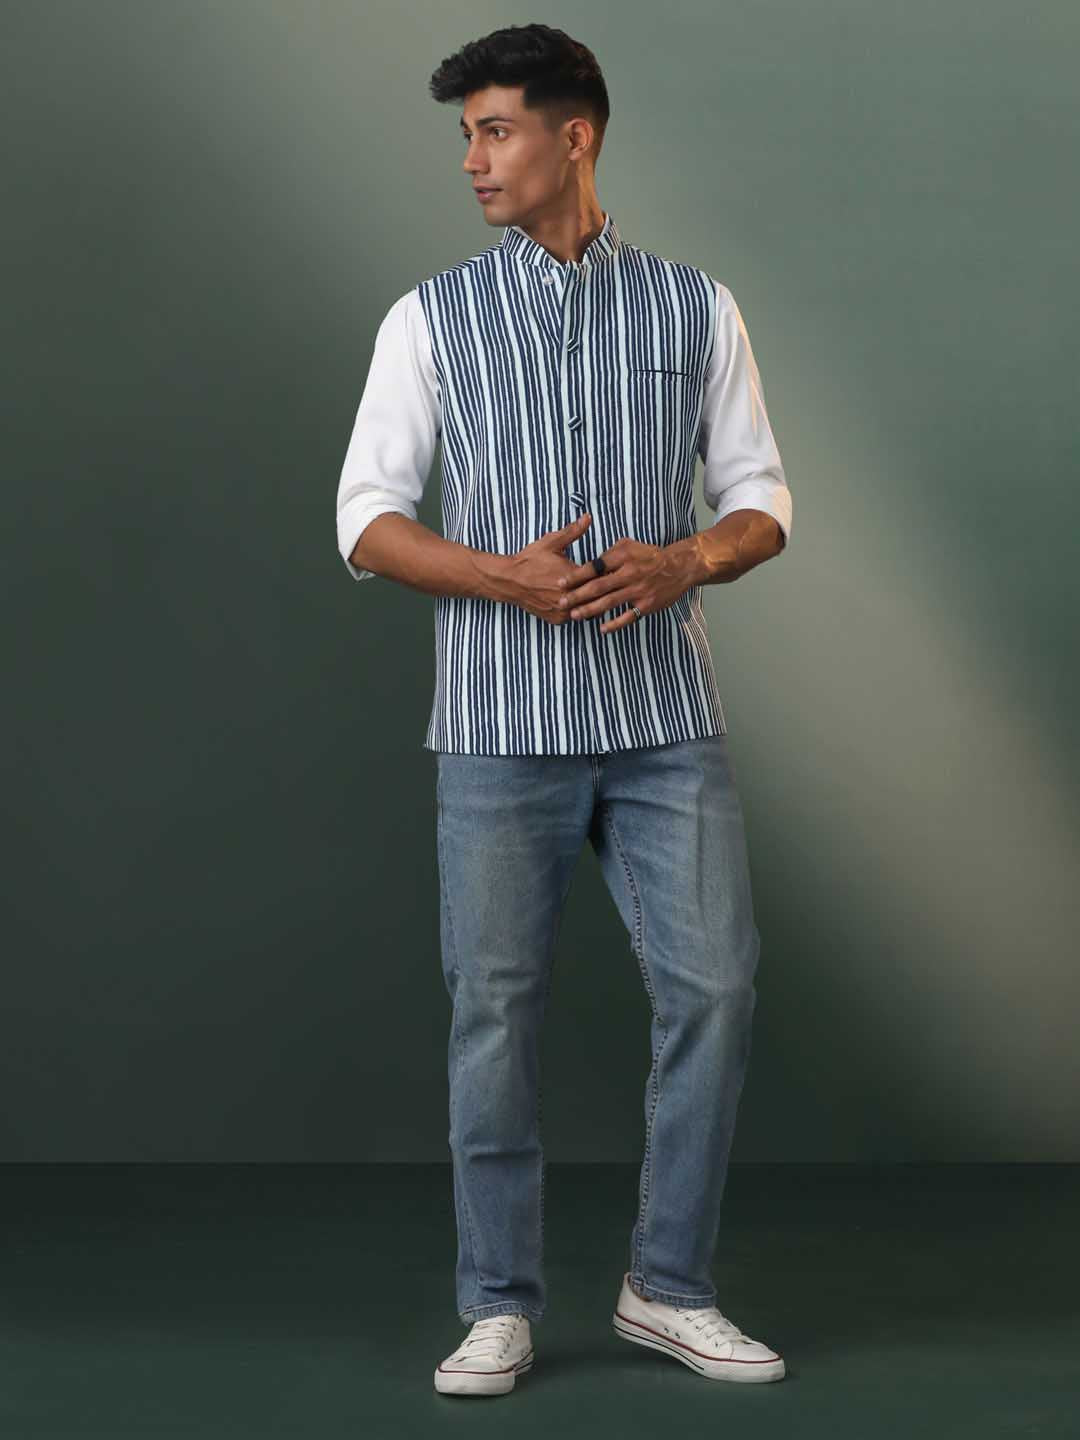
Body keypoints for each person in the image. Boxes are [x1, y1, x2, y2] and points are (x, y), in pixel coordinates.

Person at [335, 23, 792, 1398]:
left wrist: (687, 559)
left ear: (572, 136)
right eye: (468, 135)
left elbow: (762, 500)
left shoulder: (697, 308)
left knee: (717, 989)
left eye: (495, 131)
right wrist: (504, 577)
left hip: (666, 724)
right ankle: (497, 1306)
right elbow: (365, 520)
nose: (474, 160)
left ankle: (669, 1288)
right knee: (495, 1014)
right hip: (494, 731)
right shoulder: (426, 320)